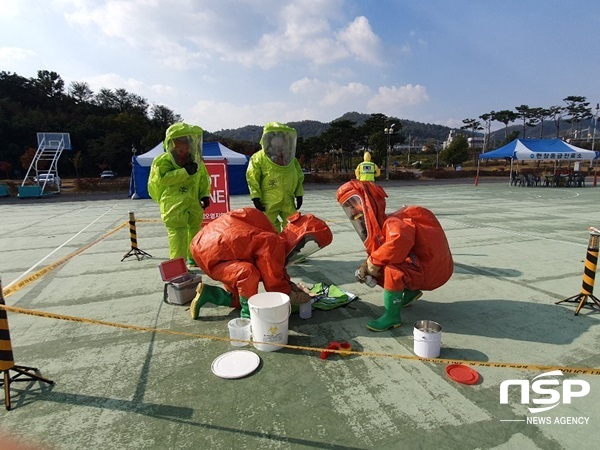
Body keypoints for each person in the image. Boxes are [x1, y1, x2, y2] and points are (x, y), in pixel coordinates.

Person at [336, 180, 453, 331]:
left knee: (391, 269)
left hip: (431, 272)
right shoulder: (387, 224)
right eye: (348, 207)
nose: (352, 211)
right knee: (382, 265)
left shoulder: (393, 223)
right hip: (430, 268)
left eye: (353, 204)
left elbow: (396, 245)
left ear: (368, 204)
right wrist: (369, 264)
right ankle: (411, 291)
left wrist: (372, 262)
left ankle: (392, 317)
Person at [189, 208, 333, 319]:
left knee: (240, 299)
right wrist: (292, 296)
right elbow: (273, 280)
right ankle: (249, 318)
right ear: (300, 237)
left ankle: (208, 294)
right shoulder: (273, 242)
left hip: (209, 249)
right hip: (213, 252)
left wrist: (291, 285)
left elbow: (275, 268)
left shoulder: (269, 235)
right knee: (248, 273)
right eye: (304, 244)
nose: (301, 250)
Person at [148, 123, 211, 266]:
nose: (186, 145)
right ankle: (177, 265)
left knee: (195, 229)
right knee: (177, 233)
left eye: (188, 141)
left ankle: (193, 257)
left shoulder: (195, 160)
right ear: (173, 143)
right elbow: (162, 179)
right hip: (173, 203)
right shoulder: (163, 161)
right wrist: (184, 172)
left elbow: (202, 178)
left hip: (193, 201)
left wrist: (204, 195)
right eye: (182, 141)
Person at [246, 122, 304, 232]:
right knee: (268, 227)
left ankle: (290, 247)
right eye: (275, 140)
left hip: (288, 199)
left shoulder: (290, 159)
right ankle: (274, 247)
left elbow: (298, 176)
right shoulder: (258, 158)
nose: (278, 144)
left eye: (281, 140)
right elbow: (252, 178)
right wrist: (256, 197)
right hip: (268, 201)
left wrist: (299, 193)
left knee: (294, 226)